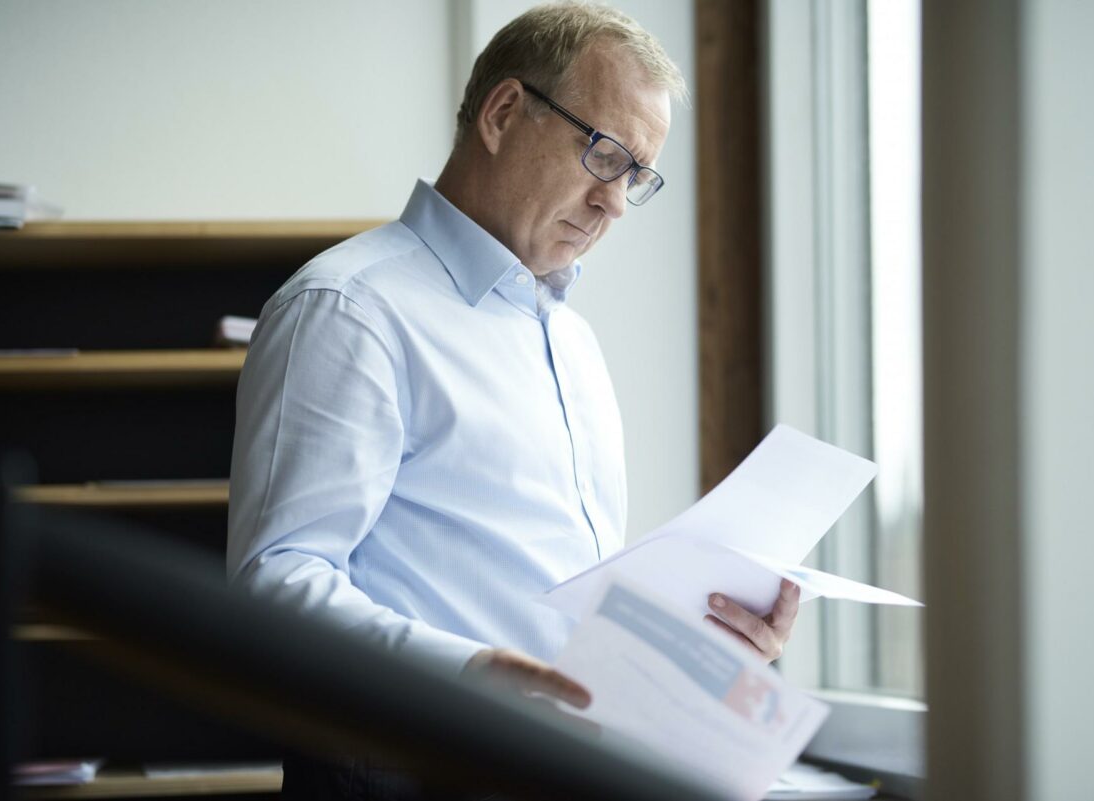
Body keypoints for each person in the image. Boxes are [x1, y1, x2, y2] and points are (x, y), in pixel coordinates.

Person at [226, 2, 800, 798]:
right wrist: (468, 672)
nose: (615, 204)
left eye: (638, 175)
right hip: (417, 763)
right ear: (503, 113)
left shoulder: (572, 342)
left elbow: (554, 604)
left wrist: (707, 643)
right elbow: (276, 585)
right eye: (605, 155)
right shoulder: (348, 308)